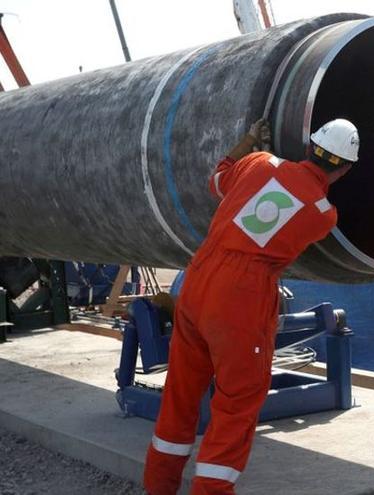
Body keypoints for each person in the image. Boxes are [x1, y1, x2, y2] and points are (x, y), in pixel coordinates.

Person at [143, 117, 359, 494]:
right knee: (236, 403)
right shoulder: (323, 214)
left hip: (199, 276)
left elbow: (218, 180)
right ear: (344, 170)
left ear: (309, 146)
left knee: (180, 392)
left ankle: (159, 487)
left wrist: (245, 144)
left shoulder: (259, 162)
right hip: (241, 295)